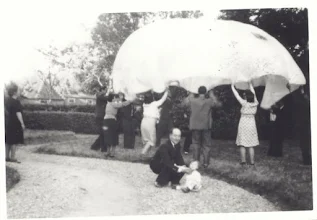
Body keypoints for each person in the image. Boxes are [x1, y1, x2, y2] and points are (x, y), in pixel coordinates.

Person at [182, 87, 221, 168]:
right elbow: (218, 104)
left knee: (196, 143)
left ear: (198, 92)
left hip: (195, 126)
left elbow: (184, 103)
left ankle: (196, 162)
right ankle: (206, 163)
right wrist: (212, 94)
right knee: (206, 145)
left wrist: (191, 92)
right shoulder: (209, 101)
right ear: (206, 92)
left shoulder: (193, 100)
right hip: (206, 125)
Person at [231, 83, 259, 166]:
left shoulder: (244, 103)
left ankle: (243, 161)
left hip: (243, 123)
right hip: (252, 124)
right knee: (251, 144)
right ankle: (252, 162)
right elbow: (254, 93)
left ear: (246, 96)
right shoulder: (256, 102)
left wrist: (232, 87)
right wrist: (250, 84)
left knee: (242, 143)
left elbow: (236, 95)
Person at [141, 88, 169, 155]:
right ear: (152, 98)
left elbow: (152, 111)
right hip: (150, 122)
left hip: (144, 121)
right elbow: (162, 100)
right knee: (152, 140)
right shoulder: (154, 104)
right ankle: (143, 153)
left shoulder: (144, 105)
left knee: (147, 139)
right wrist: (167, 91)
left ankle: (146, 154)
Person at [5, 82, 25, 163]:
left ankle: (6, 157)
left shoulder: (7, 101)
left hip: (7, 122)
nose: (19, 92)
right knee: (14, 140)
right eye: (18, 90)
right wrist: (22, 123)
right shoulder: (16, 102)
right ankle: (13, 157)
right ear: (14, 92)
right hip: (15, 123)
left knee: (8, 140)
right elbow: (18, 113)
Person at [91, 86, 108, 151]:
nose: (106, 92)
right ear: (102, 90)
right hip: (100, 117)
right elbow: (108, 98)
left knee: (103, 133)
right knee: (103, 133)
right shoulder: (100, 96)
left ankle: (95, 147)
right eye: (105, 90)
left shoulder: (101, 96)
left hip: (101, 117)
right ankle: (102, 148)